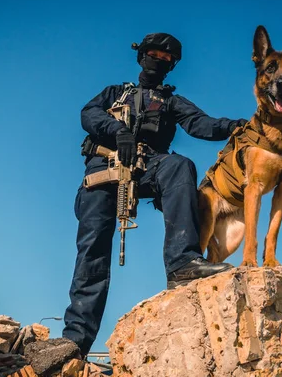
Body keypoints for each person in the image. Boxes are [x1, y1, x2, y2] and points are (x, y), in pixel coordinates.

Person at [60, 33, 247, 361]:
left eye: (166, 57)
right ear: (141, 56)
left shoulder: (171, 101)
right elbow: (88, 114)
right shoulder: (115, 93)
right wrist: (117, 132)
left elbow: (201, 124)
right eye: (153, 53)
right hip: (102, 173)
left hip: (147, 167)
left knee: (179, 166)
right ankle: (74, 342)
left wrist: (236, 126)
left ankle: (182, 262)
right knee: (92, 255)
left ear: (171, 65)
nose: (158, 60)